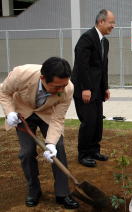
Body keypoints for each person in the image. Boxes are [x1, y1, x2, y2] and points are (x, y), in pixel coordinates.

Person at [0, 57, 79, 209]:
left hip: (48, 114)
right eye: (56, 87)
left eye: (64, 85)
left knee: (59, 148)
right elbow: (4, 92)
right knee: (27, 152)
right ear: (43, 78)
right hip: (23, 113)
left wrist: (51, 144)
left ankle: (62, 193)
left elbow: (58, 119)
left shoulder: (68, 88)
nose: (61, 90)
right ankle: (34, 191)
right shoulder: (21, 74)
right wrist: (9, 113)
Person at [71, 9, 115, 167]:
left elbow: (103, 67)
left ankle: (94, 150)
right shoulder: (87, 38)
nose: (113, 26)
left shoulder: (104, 41)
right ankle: (83, 154)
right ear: (101, 22)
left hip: (97, 89)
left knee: (97, 122)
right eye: (111, 22)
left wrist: (105, 87)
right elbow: (82, 66)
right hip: (85, 89)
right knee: (88, 122)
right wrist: (85, 88)